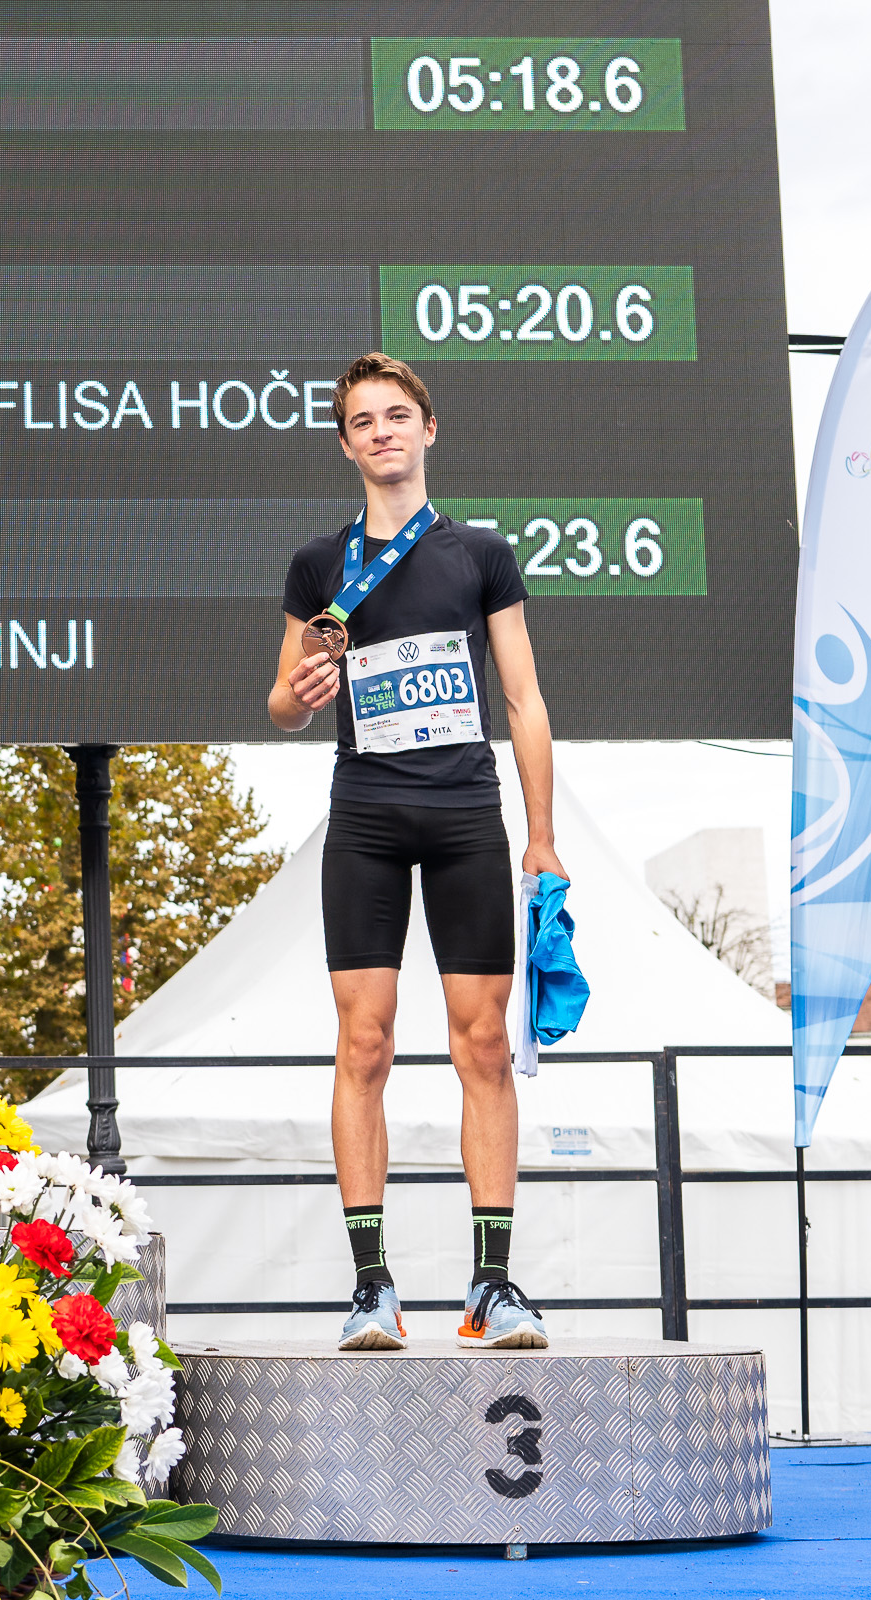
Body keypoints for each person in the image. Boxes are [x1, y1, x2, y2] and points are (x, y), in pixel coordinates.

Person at [269, 351, 562, 1352]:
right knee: (365, 1043)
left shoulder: (481, 554)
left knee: (482, 1044)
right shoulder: (319, 563)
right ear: (346, 445)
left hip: (466, 813)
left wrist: (543, 839)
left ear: (427, 429)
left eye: (397, 415)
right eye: (363, 421)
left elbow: (522, 698)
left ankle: (492, 1286)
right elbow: (281, 702)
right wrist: (302, 688)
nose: (382, 432)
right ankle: (371, 1288)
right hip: (366, 817)